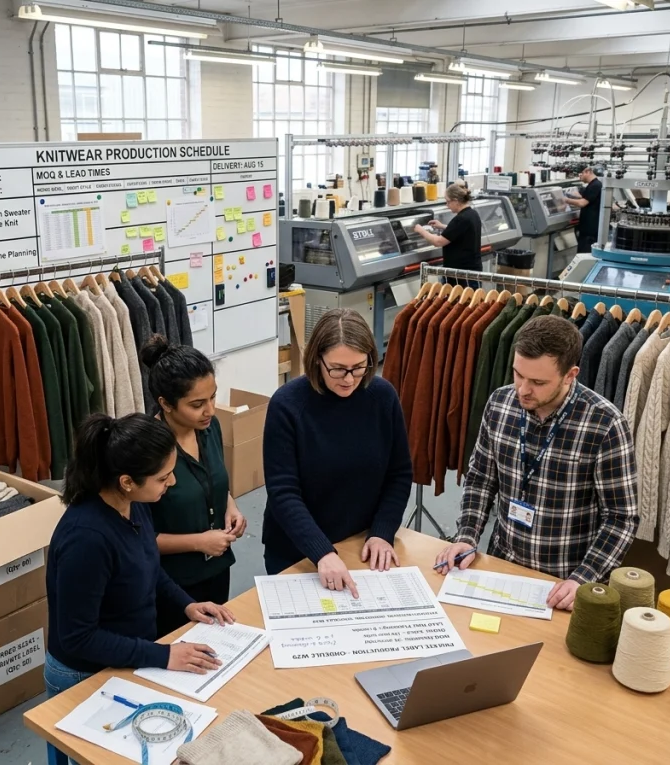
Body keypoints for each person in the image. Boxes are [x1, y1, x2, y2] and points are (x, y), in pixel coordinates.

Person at [44, 413, 234, 765]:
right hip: (84, 671)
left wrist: (186, 605)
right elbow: (77, 638)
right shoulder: (86, 539)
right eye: (163, 477)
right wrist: (163, 655)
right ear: (127, 480)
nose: (173, 482)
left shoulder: (134, 506)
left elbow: (148, 566)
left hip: (126, 655)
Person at [434, 315, 638, 611]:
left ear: (570, 375)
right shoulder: (500, 403)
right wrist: (467, 535)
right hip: (501, 566)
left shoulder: (605, 424)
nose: (523, 390)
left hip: (564, 581)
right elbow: (480, 479)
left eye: (538, 382)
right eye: (518, 374)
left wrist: (583, 578)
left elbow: (621, 517)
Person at [262, 308, 412, 595]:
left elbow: (399, 473)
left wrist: (383, 531)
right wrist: (322, 553)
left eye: (359, 367)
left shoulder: (383, 397)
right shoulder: (287, 405)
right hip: (298, 550)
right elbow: (283, 491)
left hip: (360, 544)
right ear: (317, 360)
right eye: (338, 369)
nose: (349, 379)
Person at [140, 336, 248, 638]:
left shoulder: (209, 427)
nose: (210, 410)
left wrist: (231, 507)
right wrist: (199, 542)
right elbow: (139, 538)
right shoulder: (147, 451)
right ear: (165, 404)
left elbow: (215, 479)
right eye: (197, 404)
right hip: (172, 581)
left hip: (216, 566)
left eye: (213, 397)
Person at [413, 183, 482, 288]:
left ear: (456, 200)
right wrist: (443, 226)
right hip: (471, 270)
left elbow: (438, 242)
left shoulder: (461, 219)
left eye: (448, 201)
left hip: (461, 276)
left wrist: (421, 230)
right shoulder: (472, 214)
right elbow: (461, 232)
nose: (447, 205)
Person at [563, 166, 603, 254]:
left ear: (588, 172)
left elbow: (582, 203)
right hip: (589, 227)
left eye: (581, 174)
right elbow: (588, 198)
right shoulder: (594, 184)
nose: (580, 177)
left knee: (584, 253)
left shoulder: (595, 185)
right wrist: (575, 195)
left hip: (590, 229)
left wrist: (565, 200)